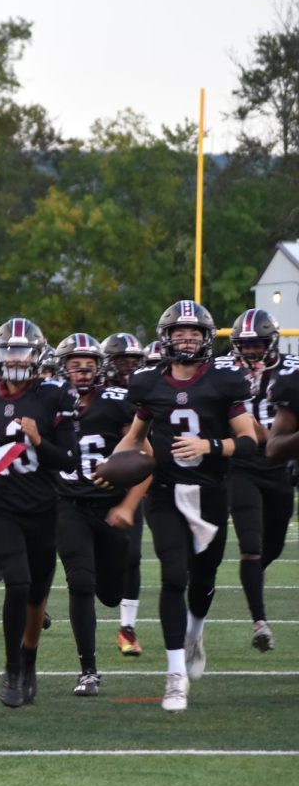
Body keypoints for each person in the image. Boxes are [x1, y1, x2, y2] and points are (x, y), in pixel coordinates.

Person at [113, 300, 256, 712]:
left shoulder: (224, 381)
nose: (187, 339)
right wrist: (110, 471)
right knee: (173, 575)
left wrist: (209, 445)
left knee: (203, 579)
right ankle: (175, 675)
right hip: (165, 493)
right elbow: (134, 440)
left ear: (207, 338)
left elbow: (249, 441)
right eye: (180, 333)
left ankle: (195, 630)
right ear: (167, 338)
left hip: (210, 492)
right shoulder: (148, 383)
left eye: (194, 333)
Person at [0, 317, 78, 709]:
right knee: (17, 583)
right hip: (0, 507)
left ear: (37, 355)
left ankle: (29, 661)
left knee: (36, 594)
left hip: (44, 508)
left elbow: (69, 458)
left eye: (23, 350)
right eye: (9, 351)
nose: (16, 358)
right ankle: (12, 667)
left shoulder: (54, 395)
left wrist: (38, 440)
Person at [52, 334, 146, 697]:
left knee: (110, 593)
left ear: (100, 368)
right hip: (69, 506)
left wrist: (127, 506)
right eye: (75, 366)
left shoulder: (117, 404)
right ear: (62, 369)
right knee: (80, 583)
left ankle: (119, 624)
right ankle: (88, 669)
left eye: (89, 366)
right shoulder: (49, 403)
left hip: (109, 508)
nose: (82, 372)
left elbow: (147, 460)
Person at [226, 309, 293, 651]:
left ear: (272, 342)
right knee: (250, 543)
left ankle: (251, 577)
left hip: (278, 467)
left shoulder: (291, 370)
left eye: (258, 344)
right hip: (242, 465)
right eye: (245, 345)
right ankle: (259, 622)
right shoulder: (225, 371)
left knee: (273, 545)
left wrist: (271, 437)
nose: (251, 351)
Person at [100, 332, 147, 657]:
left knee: (131, 556)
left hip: (135, 481)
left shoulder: (147, 390)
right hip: (87, 487)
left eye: (133, 362)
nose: (128, 369)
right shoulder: (93, 395)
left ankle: (127, 628)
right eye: (121, 362)